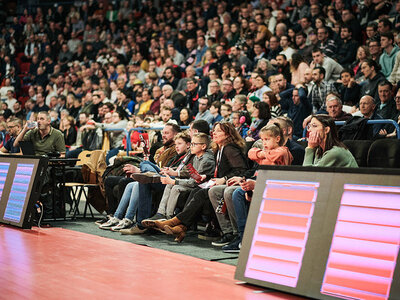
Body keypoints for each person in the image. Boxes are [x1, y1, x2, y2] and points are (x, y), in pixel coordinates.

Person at [146, 122, 248, 242]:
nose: (214, 133)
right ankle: (180, 226)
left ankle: (176, 222)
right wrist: (206, 176)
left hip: (231, 183)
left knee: (201, 192)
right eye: (214, 130)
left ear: (228, 134)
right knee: (197, 191)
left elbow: (241, 170)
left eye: (219, 131)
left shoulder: (230, 148)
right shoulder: (219, 148)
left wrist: (223, 179)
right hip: (217, 182)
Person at [142, 133, 215, 223]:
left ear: (203, 146)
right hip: (192, 182)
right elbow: (190, 174)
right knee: (168, 183)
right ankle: (161, 214)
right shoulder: (197, 156)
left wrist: (174, 181)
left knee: (175, 187)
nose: (191, 147)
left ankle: (169, 217)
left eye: (194, 144)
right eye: (191, 144)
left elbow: (194, 183)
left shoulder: (206, 160)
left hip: (200, 187)